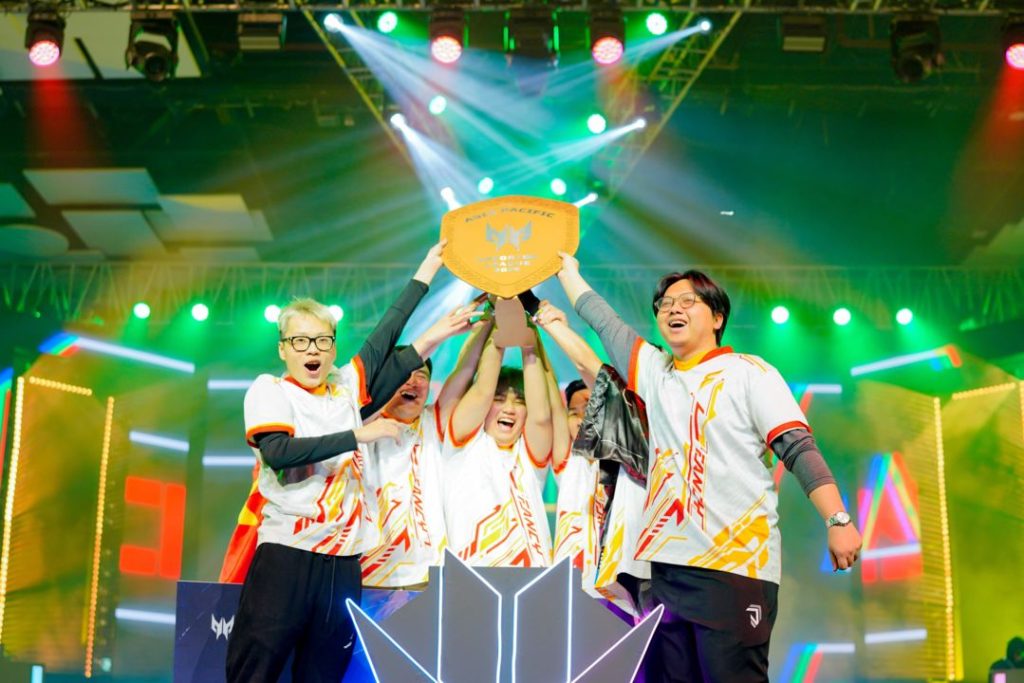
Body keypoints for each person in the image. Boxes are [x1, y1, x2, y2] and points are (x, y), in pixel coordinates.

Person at [555, 253, 863, 683]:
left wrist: (838, 518)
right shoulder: (654, 374)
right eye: (664, 304)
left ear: (717, 317)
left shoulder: (750, 373)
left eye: (687, 301)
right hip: (665, 570)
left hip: (735, 568)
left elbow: (797, 447)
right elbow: (604, 322)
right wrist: (566, 272)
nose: (673, 309)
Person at [225, 242, 475, 683]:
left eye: (322, 340)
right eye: (300, 341)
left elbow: (387, 334)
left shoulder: (344, 389)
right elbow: (279, 452)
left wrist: (429, 269)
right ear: (283, 349)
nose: (313, 350)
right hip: (288, 552)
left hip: (343, 562)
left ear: (332, 346)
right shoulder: (270, 390)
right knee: (256, 669)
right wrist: (357, 435)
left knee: (324, 673)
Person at [360, 312, 495, 590]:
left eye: (421, 375)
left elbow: (465, 371)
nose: (413, 382)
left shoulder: (433, 422)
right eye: (403, 375)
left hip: (427, 576)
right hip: (368, 575)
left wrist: (487, 323)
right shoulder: (360, 424)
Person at [534, 300, 650, 618]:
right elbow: (554, 401)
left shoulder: (630, 454)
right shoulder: (569, 462)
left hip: (620, 586)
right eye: (574, 412)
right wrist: (534, 337)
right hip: (570, 588)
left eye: (590, 407)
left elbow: (600, 382)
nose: (584, 416)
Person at [443, 323, 554, 567]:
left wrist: (528, 341)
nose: (509, 409)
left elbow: (541, 416)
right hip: (470, 578)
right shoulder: (462, 446)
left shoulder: (529, 455)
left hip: (533, 580)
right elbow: (482, 390)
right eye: (499, 399)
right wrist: (501, 318)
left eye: (519, 402)